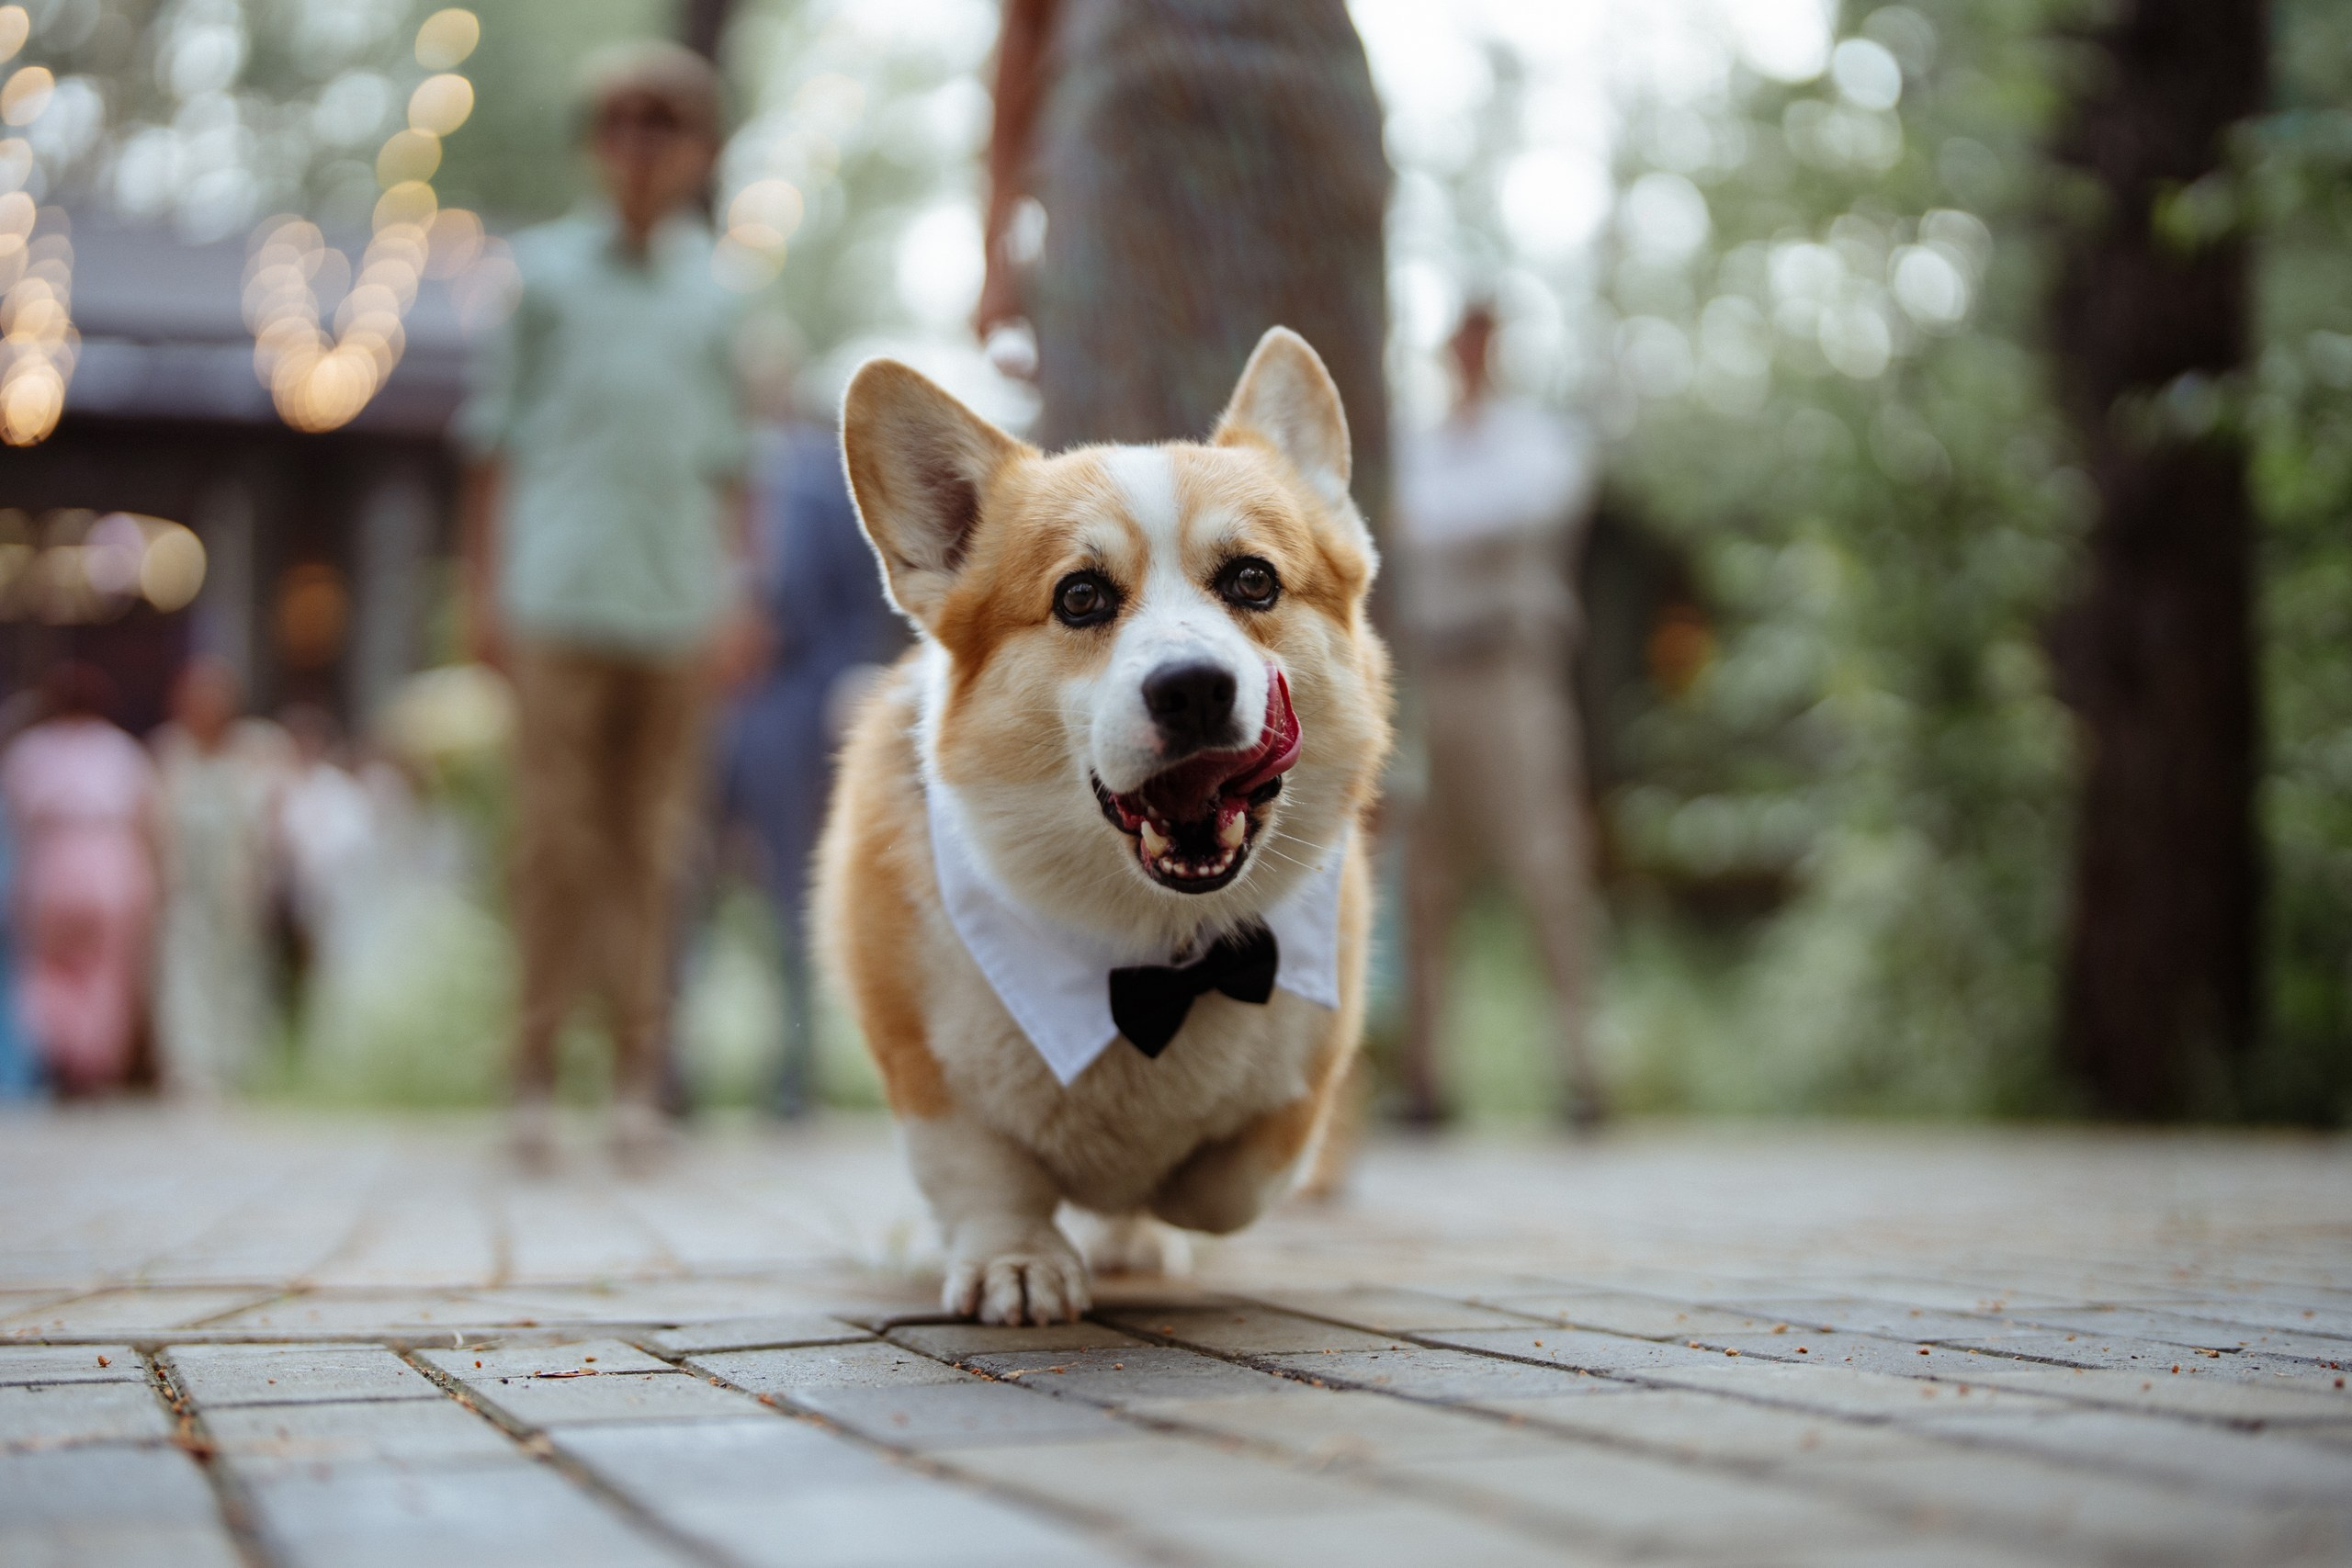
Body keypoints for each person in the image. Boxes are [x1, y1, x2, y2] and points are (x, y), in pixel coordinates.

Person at [456, 41, 759, 1170]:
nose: (640, 146)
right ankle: (532, 1072)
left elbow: (733, 468)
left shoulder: (722, 294)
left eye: (665, 126)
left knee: (659, 842)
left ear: (697, 152)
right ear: (595, 143)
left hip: (677, 606)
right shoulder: (539, 277)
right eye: (621, 124)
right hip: (555, 597)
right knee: (551, 840)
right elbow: (493, 447)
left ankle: (639, 1076)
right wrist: (481, 595)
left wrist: (739, 599)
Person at [975, 0, 1391, 534]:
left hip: (1311, 124)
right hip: (1134, 117)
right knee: (1117, 445)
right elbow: (1026, 20)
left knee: (1320, 451)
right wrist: (996, 244)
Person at [1396, 304, 1609, 1129]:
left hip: (1511, 672)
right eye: (1460, 336)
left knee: (1546, 863)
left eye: (1483, 334)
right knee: (1423, 879)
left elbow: (1506, 507)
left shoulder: (1537, 439)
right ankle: (1424, 1078)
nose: (1470, 351)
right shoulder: (1422, 442)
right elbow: (1393, 522)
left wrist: (1429, 524)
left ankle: (1582, 1067)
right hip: (1426, 674)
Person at [723, 411, 905, 1118]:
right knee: (686, 891)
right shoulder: (711, 477)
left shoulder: (822, 482)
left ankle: (794, 1078)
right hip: (709, 710)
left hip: (795, 714)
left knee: (794, 893)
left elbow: (861, 605)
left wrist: (846, 691)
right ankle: (669, 1076)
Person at [0, 663, 159, 1095]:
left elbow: (17, 818)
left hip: (52, 865)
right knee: (106, 972)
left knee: (50, 969)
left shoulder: (32, 751)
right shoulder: (121, 752)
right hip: (110, 864)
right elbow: (145, 823)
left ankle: (61, 1053)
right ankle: (93, 1062)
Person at [151, 657, 289, 1100]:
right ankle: (192, 1067)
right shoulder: (170, 749)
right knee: (185, 967)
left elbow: (271, 818)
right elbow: (156, 823)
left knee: (239, 971)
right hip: (186, 881)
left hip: (237, 877)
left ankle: (237, 1062)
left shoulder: (257, 746)